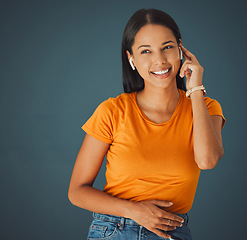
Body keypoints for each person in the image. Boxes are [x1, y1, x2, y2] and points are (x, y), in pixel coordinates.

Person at [68, 8, 226, 240]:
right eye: (146, 51)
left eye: (167, 47)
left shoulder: (206, 107)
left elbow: (207, 160)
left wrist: (195, 89)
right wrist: (135, 211)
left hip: (173, 232)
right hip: (115, 230)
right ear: (131, 58)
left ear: (181, 50)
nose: (159, 60)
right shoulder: (112, 111)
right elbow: (77, 192)